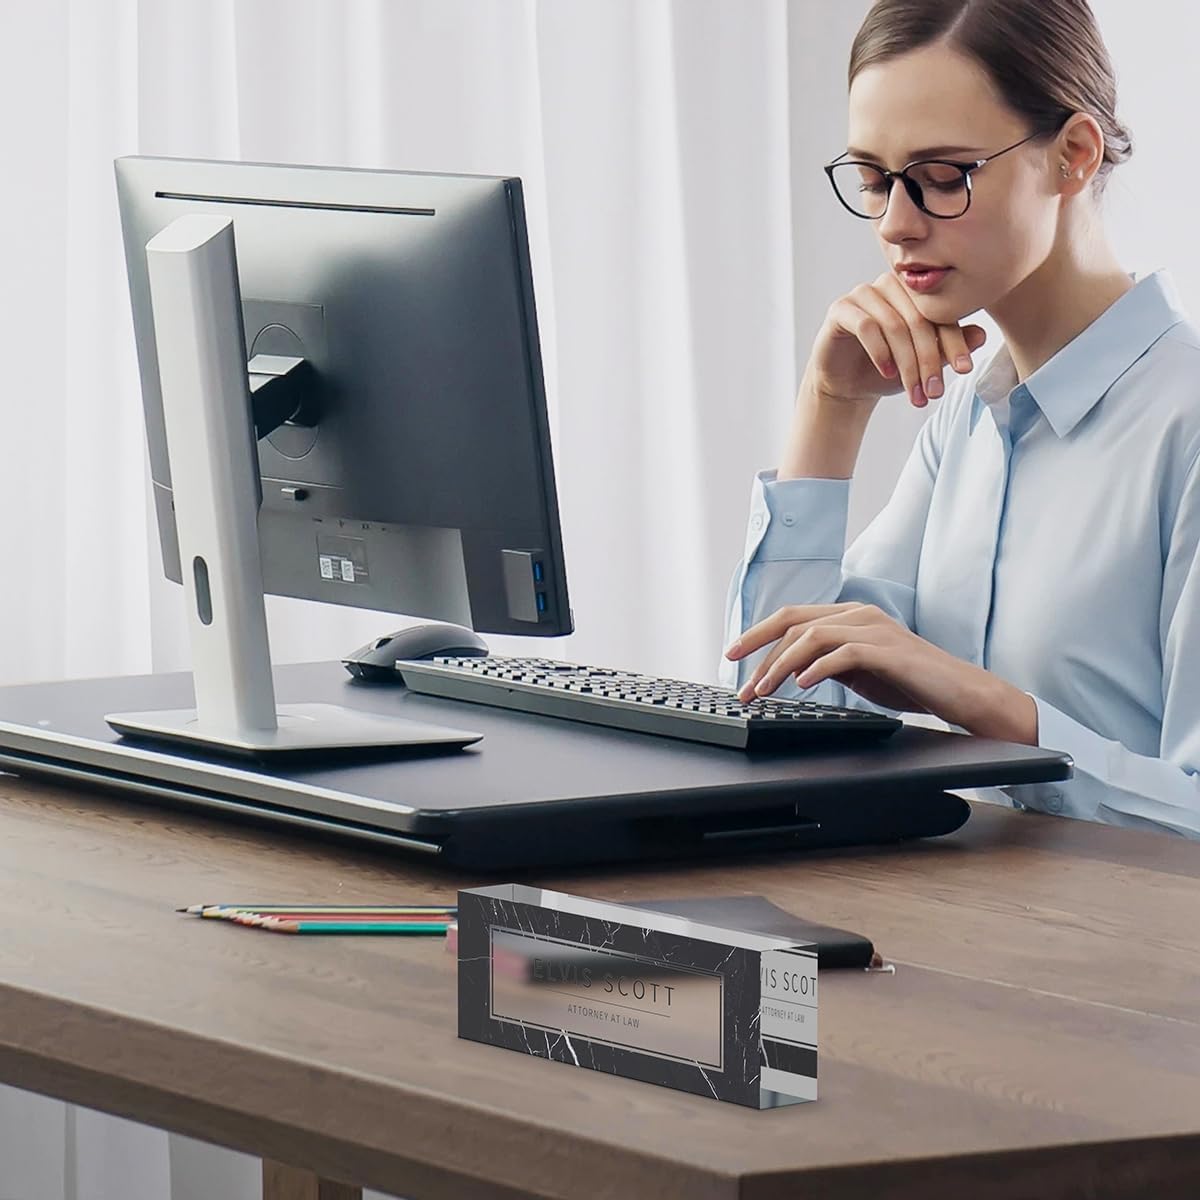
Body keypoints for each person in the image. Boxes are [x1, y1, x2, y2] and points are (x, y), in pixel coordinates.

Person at [720, 0, 1200, 838]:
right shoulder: (971, 422)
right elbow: (774, 707)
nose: (896, 225)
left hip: (1123, 957)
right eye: (873, 178)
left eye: (944, 176)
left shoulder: (1183, 426)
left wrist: (986, 707)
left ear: (1074, 156)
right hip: (947, 936)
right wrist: (829, 411)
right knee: (546, 957)